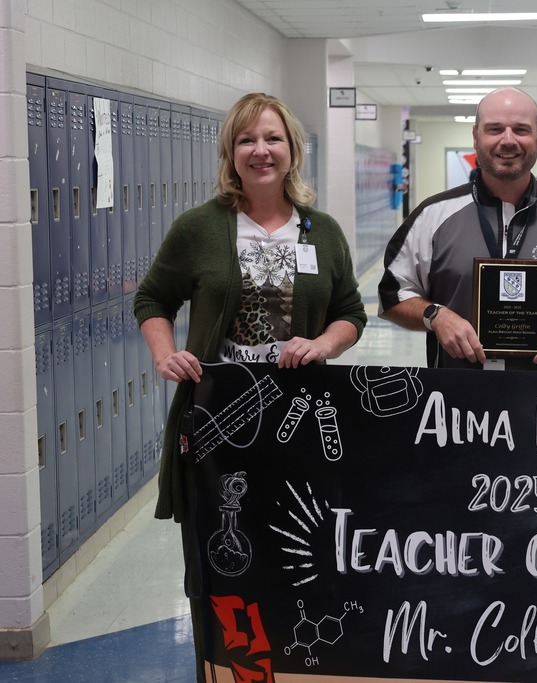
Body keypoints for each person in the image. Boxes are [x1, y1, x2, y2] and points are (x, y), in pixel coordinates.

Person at [134, 92, 367, 681]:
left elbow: (350, 312)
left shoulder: (324, 231)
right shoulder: (200, 228)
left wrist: (324, 344)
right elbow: (152, 298)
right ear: (230, 154)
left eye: (272, 139)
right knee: (222, 559)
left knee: (297, 549)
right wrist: (165, 353)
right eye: (246, 140)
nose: (260, 151)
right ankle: (228, 667)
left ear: (293, 151)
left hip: (299, 416)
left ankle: (301, 665)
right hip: (220, 419)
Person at [378, 87, 537, 371]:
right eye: (495, 129)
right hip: (456, 399)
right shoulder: (432, 216)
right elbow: (393, 294)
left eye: (521, 130)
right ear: (476, 137)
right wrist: (434, 315)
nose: (508, 140)